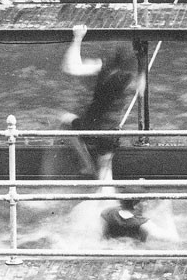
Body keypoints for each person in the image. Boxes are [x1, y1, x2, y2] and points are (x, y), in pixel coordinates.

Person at [56, 25, 140, 188]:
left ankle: (87, 165)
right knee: (105, 172)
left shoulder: (103, 68)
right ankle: (108, 199)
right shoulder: (130, 77)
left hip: (91, 127)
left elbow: (71, 67)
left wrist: (78, 38)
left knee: (65, 120)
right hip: (111, 132)